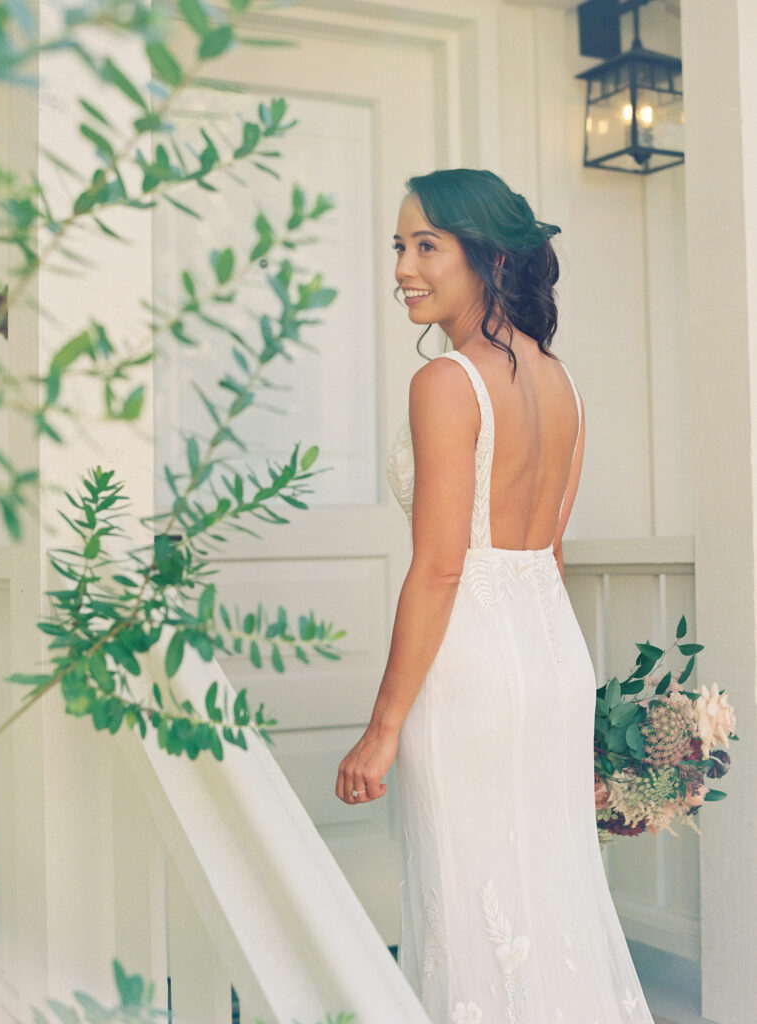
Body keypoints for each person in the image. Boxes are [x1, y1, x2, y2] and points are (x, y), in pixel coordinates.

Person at [335, 168, 654, 1023]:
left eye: (426, 245)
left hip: (472, 665)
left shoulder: (444, 383)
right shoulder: (563, 384)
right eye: (399, 246)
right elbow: (545, 553)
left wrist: (382, 728)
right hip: (551, 660)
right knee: (544, 891)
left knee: (470, 898)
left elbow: (441, 567)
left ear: (485, 256)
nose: (403, 266)